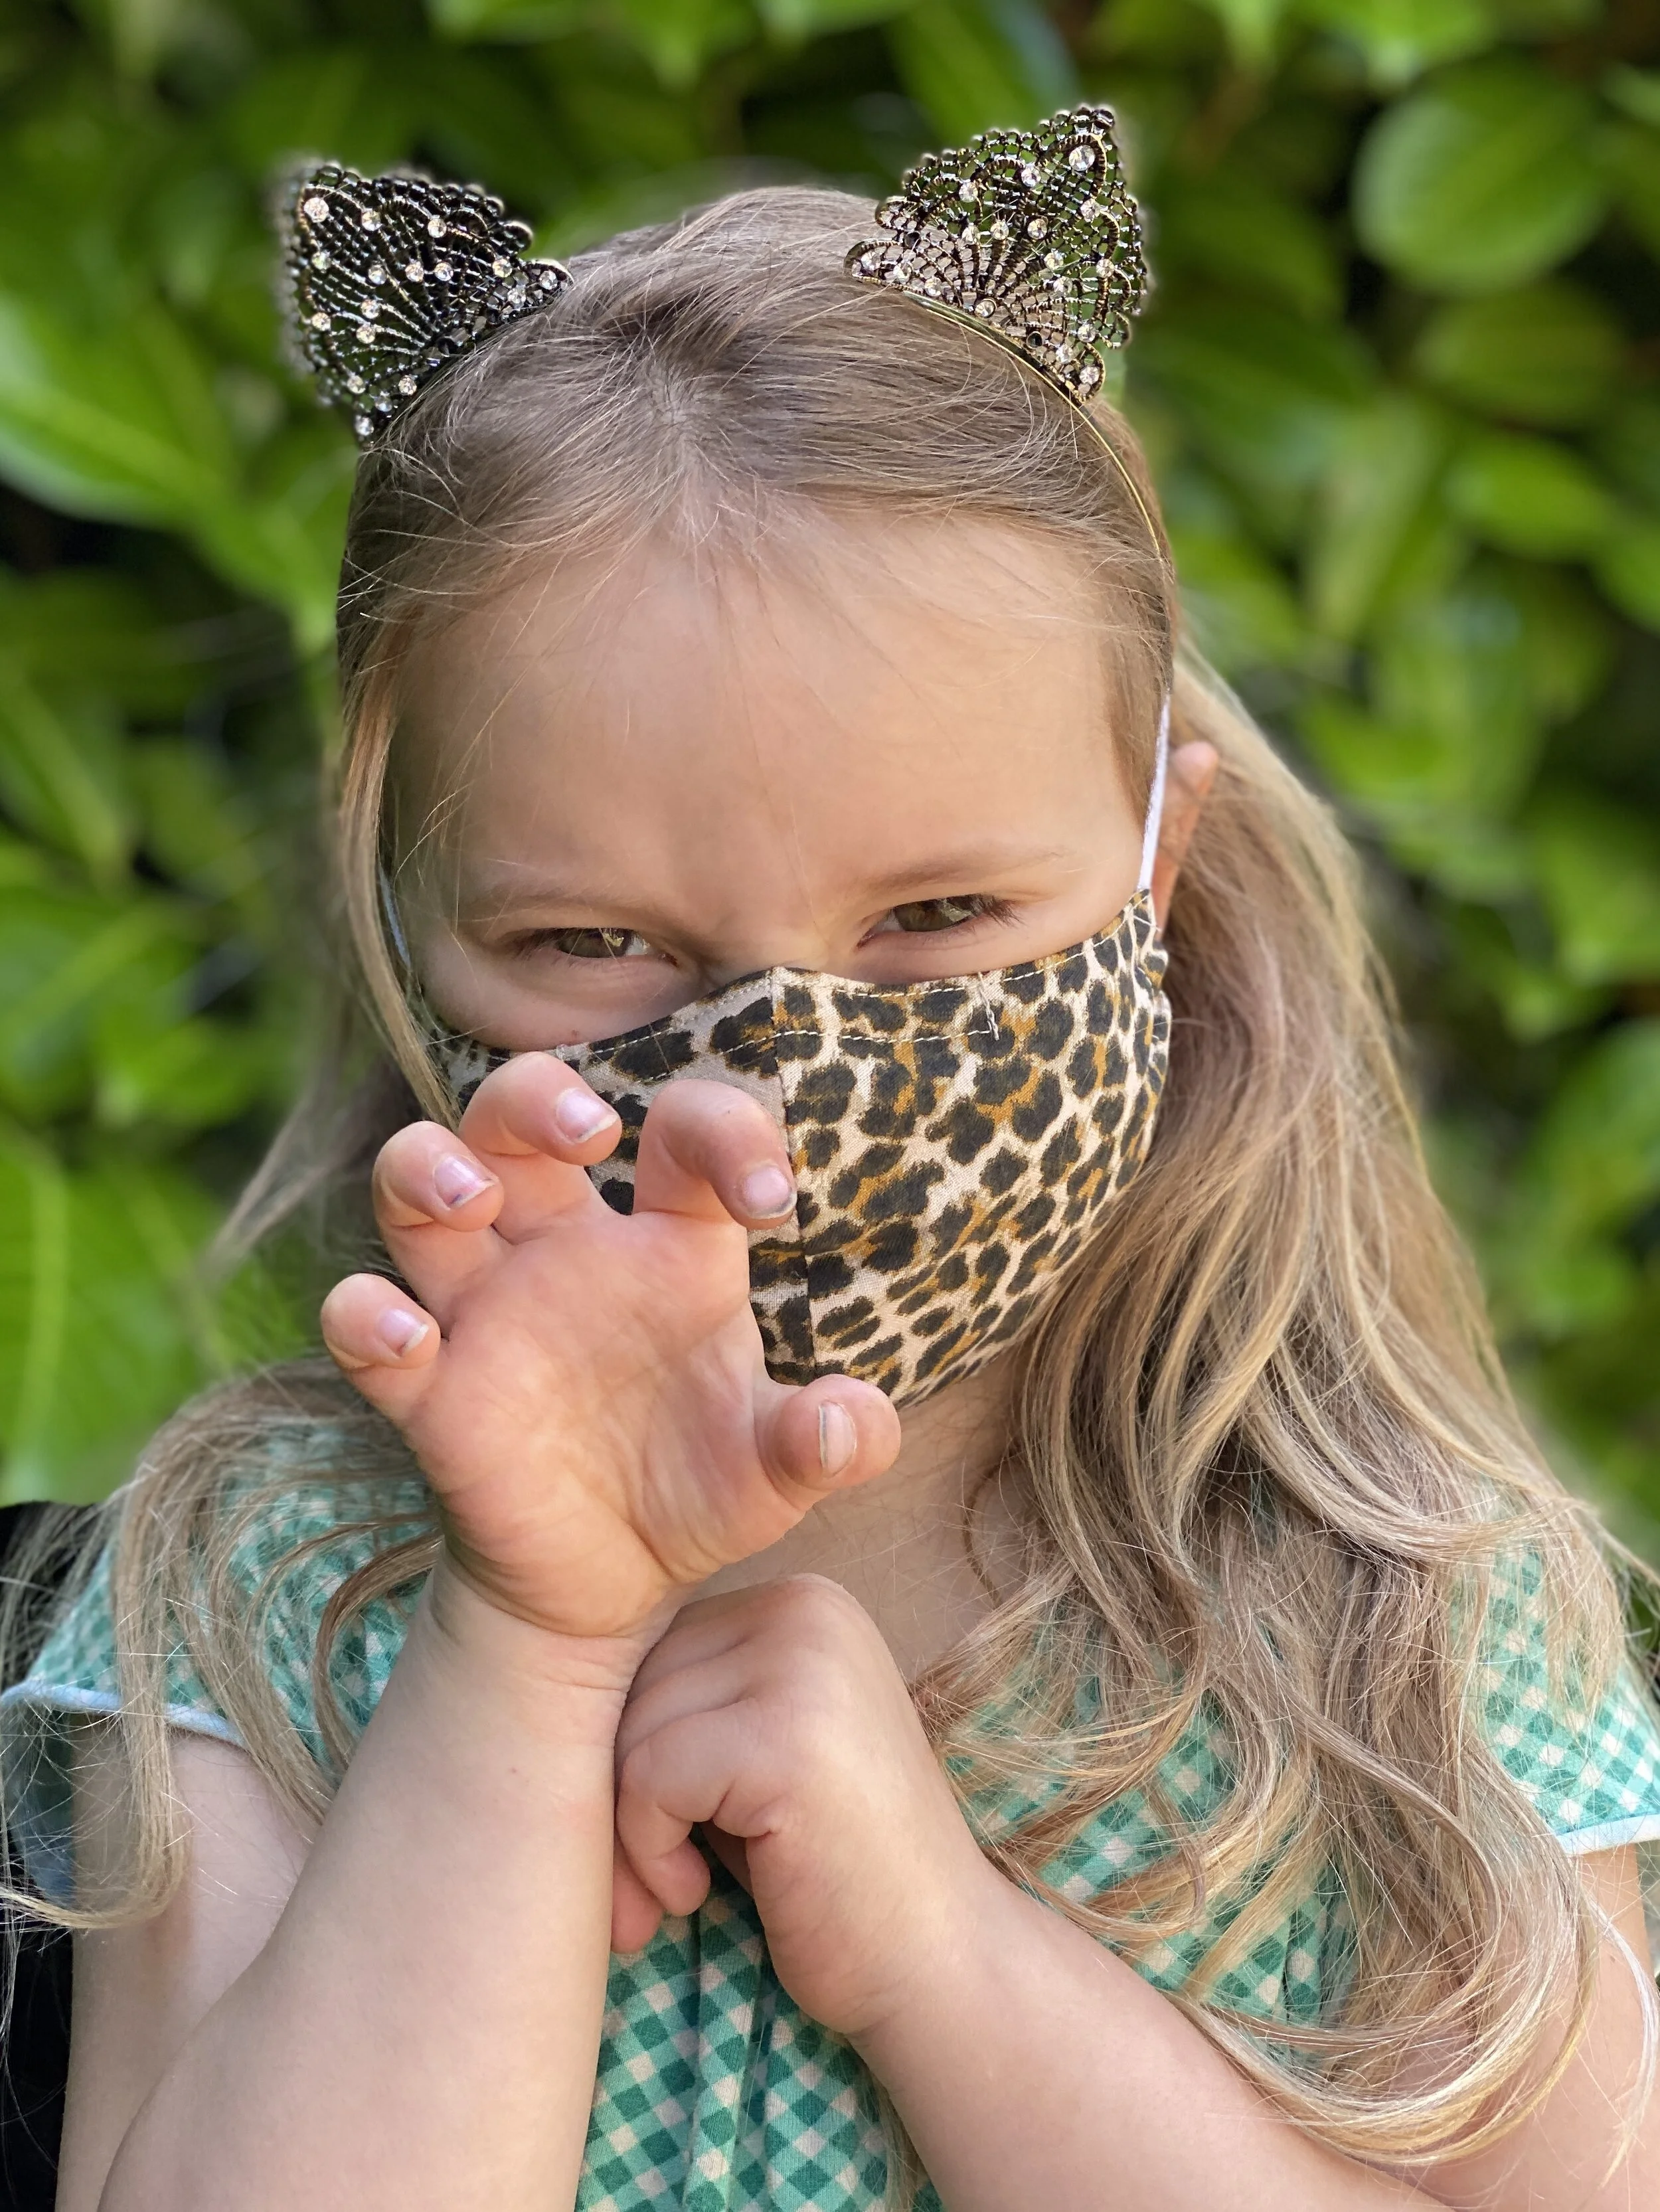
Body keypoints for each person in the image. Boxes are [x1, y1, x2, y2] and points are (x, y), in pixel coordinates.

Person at [2, 106, 1657, 2212]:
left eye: (938, 922)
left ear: (1155, 859)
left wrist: (945, 1961)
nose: (760, 1097)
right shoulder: (274, 1589)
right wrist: (518, 1660)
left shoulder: (1399, 1616)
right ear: (409, 928)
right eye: (597, 949)